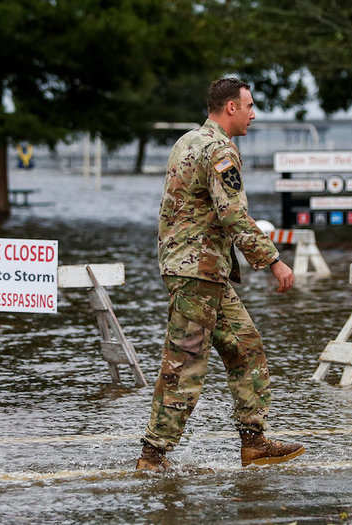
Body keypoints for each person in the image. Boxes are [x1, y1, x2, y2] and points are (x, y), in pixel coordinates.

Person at [136, 78, 305, 471]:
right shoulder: (219, 150)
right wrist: (273, 261)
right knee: (185, 362)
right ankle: (153, 456)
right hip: (198, 272)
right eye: (249, 105)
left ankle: (254, 441)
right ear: (230, 107)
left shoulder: (187, 141)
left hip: (200, 270)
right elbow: (233, 214)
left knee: (246, 349)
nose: (253, 113)